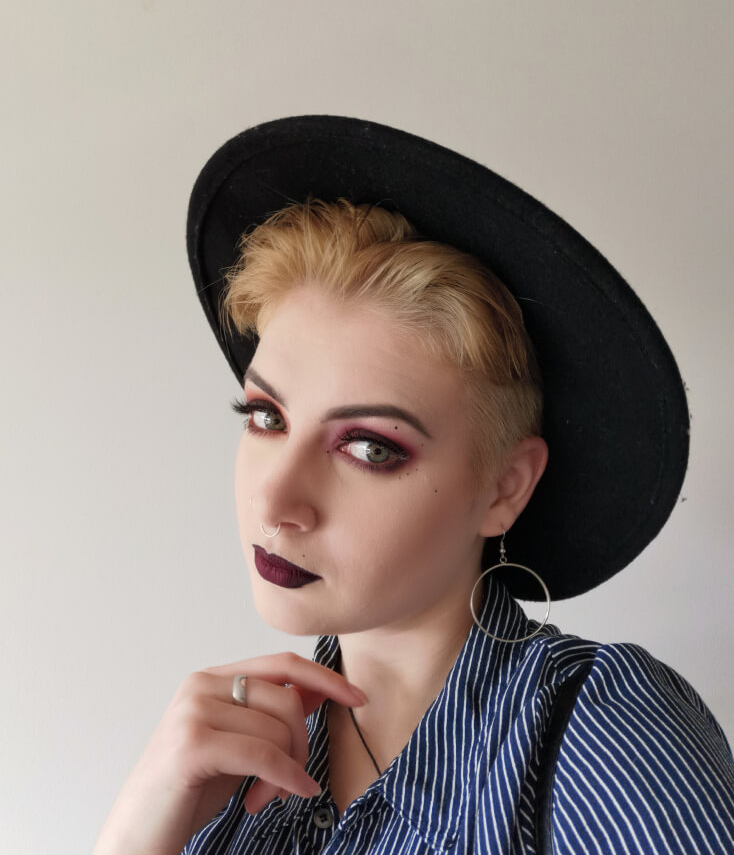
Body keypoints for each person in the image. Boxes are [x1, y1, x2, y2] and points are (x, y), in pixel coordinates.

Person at [93, 116, 734, 855]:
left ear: (506, 487)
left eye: (369, 447)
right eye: (267, 416)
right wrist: (138, 826)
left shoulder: (600, 734)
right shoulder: (222, 770)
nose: (274, 503)